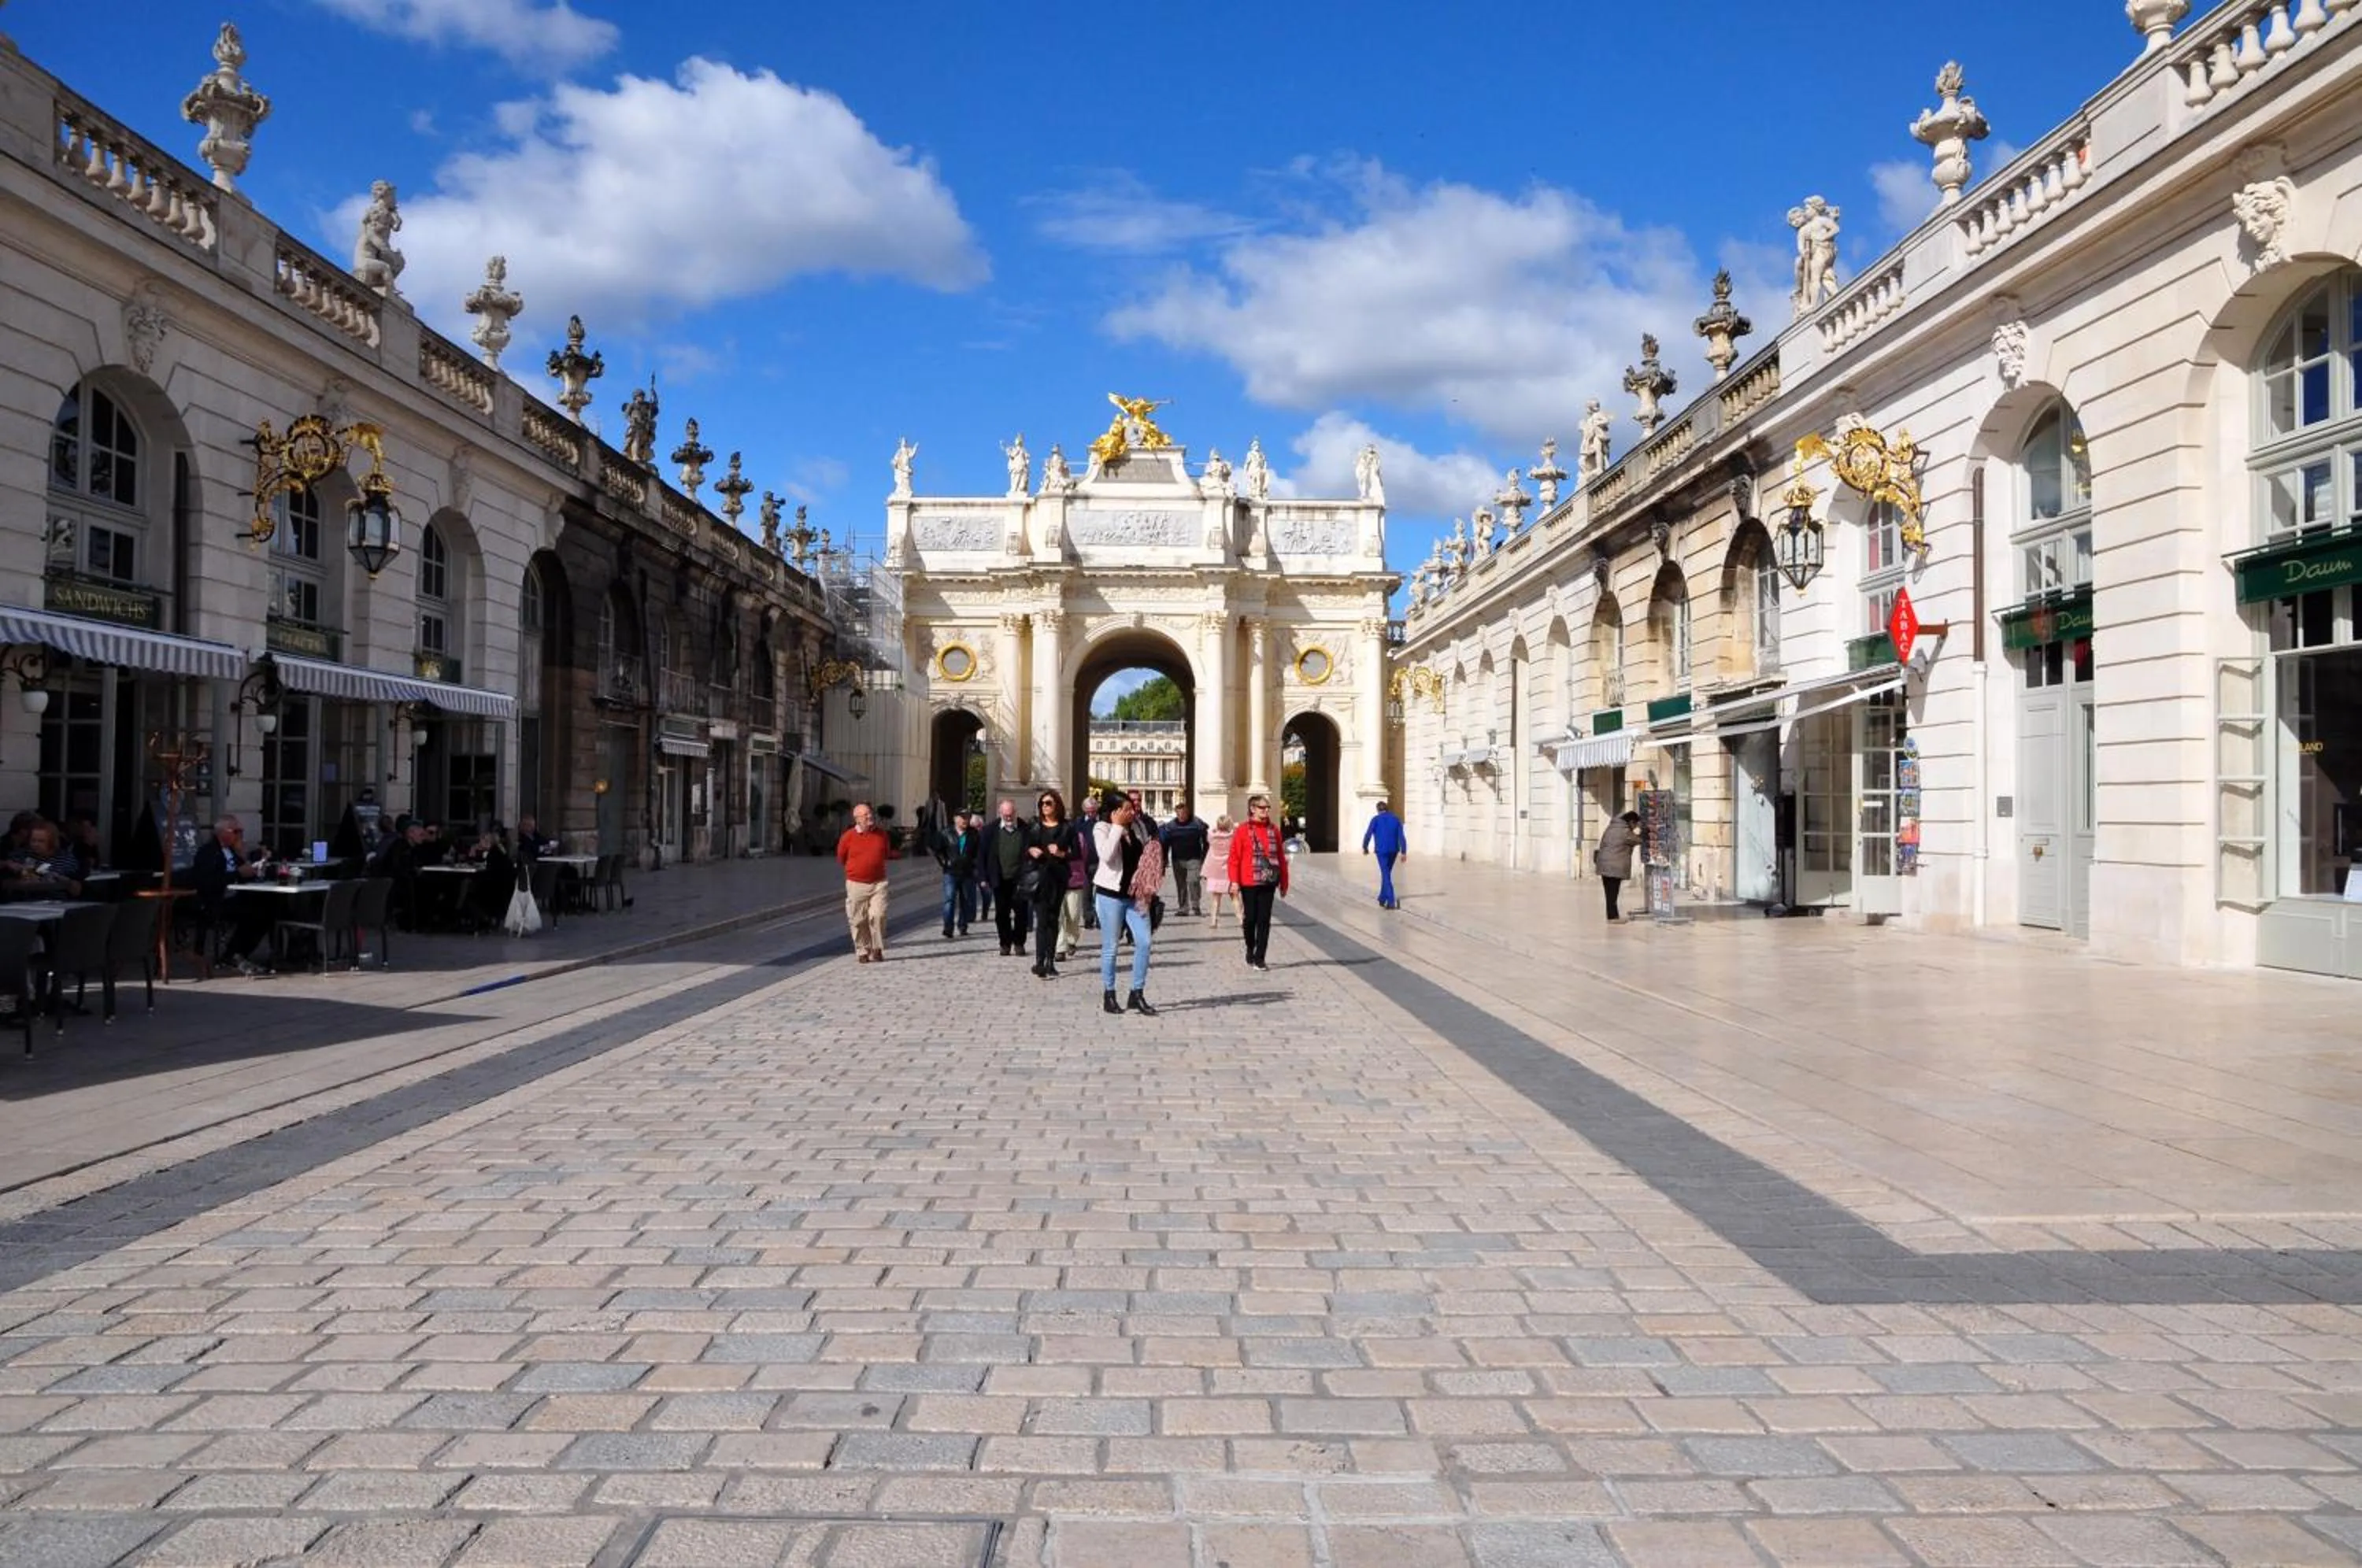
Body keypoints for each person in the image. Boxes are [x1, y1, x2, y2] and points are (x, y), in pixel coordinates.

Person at [1093, 790, 1157, 1015]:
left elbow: (1146, 855)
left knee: (1145, 942)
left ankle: (1136, 992)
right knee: (1111, 947)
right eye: (1127, 809)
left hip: (1136, 895)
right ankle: (1109, 994)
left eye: (1132, 808)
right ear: (1115, 811)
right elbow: (1106, 856)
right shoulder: (1102, 828)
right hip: (1110, 895)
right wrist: (1117, 827)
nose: (1132, 812)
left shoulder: (1139, 826)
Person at [190, 815, 275, 975]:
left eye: (241, 832)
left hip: (236, 896)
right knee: (255, 913)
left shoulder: (231, 851)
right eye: (236, 831)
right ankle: (233, 954)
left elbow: (244, 872)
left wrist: (249, 861)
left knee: (268, 907)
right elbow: (208, 882)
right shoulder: (208, 853)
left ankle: (238, 953)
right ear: (222, 832)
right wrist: (237, 874)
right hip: (216, 901)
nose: (240, 836)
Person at [1226, 793, 1289, 971]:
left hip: (1269, 881)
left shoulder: (1274, 830)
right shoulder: (1242, 830)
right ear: (1252, 809)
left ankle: (1260, 958)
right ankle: (1250, 947)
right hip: (1249, 881)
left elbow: (1281, 858)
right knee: (1250, 919)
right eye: (1262, 807)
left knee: (1264, 920)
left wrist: (1284, 882)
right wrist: (1234, 881)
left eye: (1268, 807)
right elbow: (1234, 858)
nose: (1266, 810)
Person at [1024, 790, 1078, 978]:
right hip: (1039, 878)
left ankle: (1050, 961)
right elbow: (1024, 847)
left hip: (1058, 878)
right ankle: (1039, 962)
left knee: (1053, 919)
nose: (1045, 807)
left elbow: (1077, 853)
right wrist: (1031, 851)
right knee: (1041, 920)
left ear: (1057, 805)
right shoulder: (1034, 825)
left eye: (1048, 803)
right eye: (1042, 804)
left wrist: (1061, 853)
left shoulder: (1067, 827)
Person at [836, 801, 890, 962]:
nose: (869, 816)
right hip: (856, 883)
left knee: (878, 915)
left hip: (878, 882)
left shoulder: (882, 834)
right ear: (857, 819)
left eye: (870, 813)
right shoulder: (848, 837)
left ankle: (877, 948)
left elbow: (886, 853)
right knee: (858, 919)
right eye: (865, 814)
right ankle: (862, 950)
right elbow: (841, 858)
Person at [978, 798, 1030, 956]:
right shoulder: (989, 830)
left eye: (1011, 814)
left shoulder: (1025, 829)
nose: (1008, 817)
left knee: (1021, 912)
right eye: (1005, 814)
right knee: (1002, 913)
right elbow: (982, 855)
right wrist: (983, 877)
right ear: (1000, 813)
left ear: (1015, 813)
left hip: (1020, 879)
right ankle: (1005, 943)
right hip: (999, 878)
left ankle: (1019, 943)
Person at [3, 821, 83, 900]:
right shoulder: (21, 856)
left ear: (52, 842)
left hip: (55, 901)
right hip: (22, 901)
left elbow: (74, 886)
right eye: (33, 840)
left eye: (41, 841)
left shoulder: (66, 859)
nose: (36, 844)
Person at [1159, 801, 1209, 918]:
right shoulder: (1171, 826)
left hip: (1194, 858)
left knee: (1193, 881)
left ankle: (1195, 905)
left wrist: (1204, 856)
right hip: (1178, 859)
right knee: (1181, 884)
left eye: (1183, 813)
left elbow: (1206, 838)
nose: (1181, 816)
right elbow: (1165, 843)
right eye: (1179, 814)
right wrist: (1164, 858)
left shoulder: (1197, 823)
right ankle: (1183, 908)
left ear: (1188, 813)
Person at [932, 809, 978, 939]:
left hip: (967, 872)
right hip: (951, 872)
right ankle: (948, 927)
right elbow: (938, 851)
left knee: (966, 900)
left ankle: (963, 926)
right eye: (962, 817)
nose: (965, 820)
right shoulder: (946, 833)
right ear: (955, 818)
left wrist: (975, 864)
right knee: (949, 899)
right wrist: (945, 862)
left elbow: (978, 851)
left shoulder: (973, 834)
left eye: (967, 817)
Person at [1595, 810, 1642, 923]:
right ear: (1631, 822)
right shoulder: (1625, 832)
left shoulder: (1612, 827)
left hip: (1604, 864)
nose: (1635, 827)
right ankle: (1613, 918)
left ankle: (1612, 916)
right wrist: (1643, 831)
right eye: (1635, 825)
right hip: (1614, 866)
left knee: (1609, 893)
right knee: (1613, 892)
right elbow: (1639, 840)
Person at [1361, 800, 1408, 910]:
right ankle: (1382, 898)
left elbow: (1368, 834)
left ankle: (1391, 900)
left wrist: (1365, 847)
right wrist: (1404, 852)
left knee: (1385, 874)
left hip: (1381, 851)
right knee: (1386, 873)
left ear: (1378, 810)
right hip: (1393, 850)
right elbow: (1401, 836)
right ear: (1387, 809)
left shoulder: (1376, 819)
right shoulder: (1396, 819)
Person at [1204, 814, 1235, 928]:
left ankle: (1213, 921)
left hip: (1215, 871)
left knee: (1216, 898)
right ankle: (1241, 919)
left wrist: (1215, 829)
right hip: (1228, 870)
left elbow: (1209, 832)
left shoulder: (1212, 837)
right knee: (1235, 897)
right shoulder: (1232, 837)